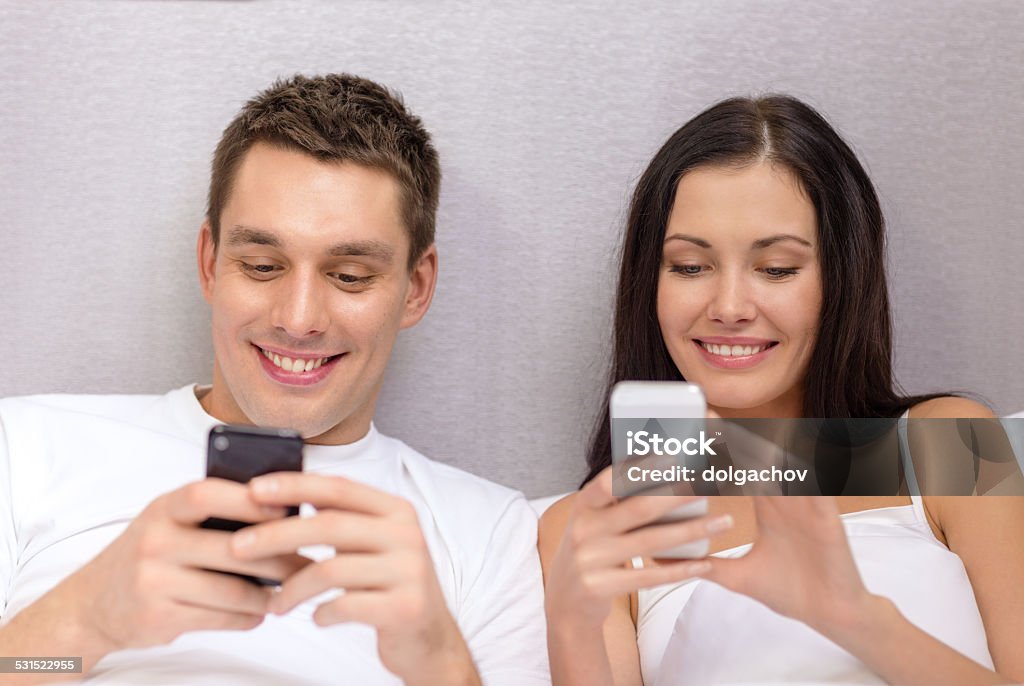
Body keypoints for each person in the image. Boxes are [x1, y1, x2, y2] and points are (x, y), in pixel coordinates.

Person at [0, 74, 549, 686]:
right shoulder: (23, 447)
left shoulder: (491, 531)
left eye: (349, 276)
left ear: (415, 288)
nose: (298, 320)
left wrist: (441, 665)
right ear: (211, 264)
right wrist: (82, 623)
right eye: (262, 266)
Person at [538, 95, 1024, 685]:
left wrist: (853, 616)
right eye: (690, 267)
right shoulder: (596, 525)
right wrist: (569, 621)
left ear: (842, 278)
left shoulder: (949, 444)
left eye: (776, 269)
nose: (730, 308)